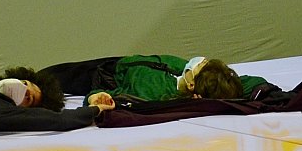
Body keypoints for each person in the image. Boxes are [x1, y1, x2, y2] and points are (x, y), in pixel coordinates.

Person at [39, 54, 268, 111]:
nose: (198, 61)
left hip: (103, 74)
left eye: (199, 66)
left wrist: (94, 97)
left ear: (192, 86)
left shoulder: (154, 94)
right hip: (122, 62)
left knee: (47, 77)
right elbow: (251, 82)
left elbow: (109, 95)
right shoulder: (212, 77)